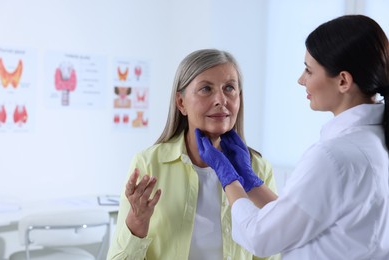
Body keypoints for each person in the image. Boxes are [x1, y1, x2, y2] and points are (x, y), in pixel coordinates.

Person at [196, 14, 389, 259]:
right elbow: (297, 220)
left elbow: (261, 238)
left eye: (309, 70)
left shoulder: (333, 157)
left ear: (343, 81)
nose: (301, 79)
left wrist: (229, 179)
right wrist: (250, 183)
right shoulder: (375, 142)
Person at [107, 49, 280, 260]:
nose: (221, 100)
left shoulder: (258, 168)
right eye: (206, 89)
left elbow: (274, 251)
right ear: (181, 103)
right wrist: (136, 225)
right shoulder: (149, 164)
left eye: (229, 88)